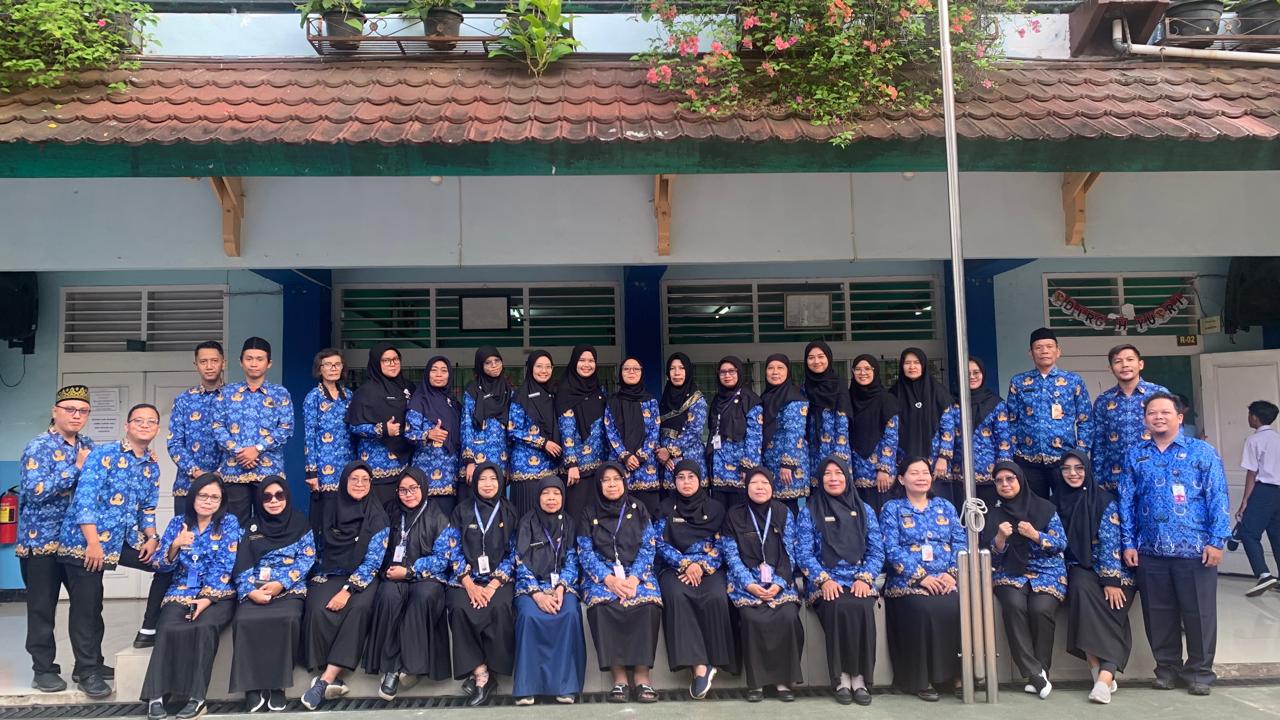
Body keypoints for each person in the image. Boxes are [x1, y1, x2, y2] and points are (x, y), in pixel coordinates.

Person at [1119, 392, 1230, 696]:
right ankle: (1166, 669)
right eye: (1152, 412)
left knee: (1199, 614)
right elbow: (1126, 501)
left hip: (1195, 550)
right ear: (1145, 419)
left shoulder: (1202, 452)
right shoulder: (1135, 454)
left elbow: (1218, 496)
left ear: (1179, 417)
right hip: (1150, 549)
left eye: (1165, 412)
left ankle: (1200, 673)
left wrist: (1217, 541)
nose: (1158, 417)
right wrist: (1128, 542)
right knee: (1158, 615)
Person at [57, 402, 164, 699]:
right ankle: (87, 671)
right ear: (127, 426)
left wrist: (152, 537)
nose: (145, 425)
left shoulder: (151, 465)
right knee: (88, 606)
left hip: (122, 540)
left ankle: (148, 630)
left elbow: (147, 508)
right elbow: (85, 499)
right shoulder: (104, 454)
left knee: (166, 564)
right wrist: (92, 543)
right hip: (83, 542)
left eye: (151, 421)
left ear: (157, 429)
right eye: (139, 420)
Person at [141, 474, 241, 720]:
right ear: (193, 497)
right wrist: (175, 545)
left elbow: (225, 565)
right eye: (203, 495)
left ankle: (197, 699)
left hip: (218, 593)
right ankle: (157, 696)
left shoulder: (228, 523)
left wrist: (206, 599)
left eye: (214, 497)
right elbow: (160, 565)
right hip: (181, 590)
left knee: (204, 627)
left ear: (221, 501)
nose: (208, 501)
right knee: (168, 626)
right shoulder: (178, 523)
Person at [18, 385, 95, 693]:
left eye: (83, 411)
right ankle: (43, 669)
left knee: (88, 607)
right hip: (42, 542)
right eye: (70, 409)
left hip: (78, 541)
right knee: (42, 608)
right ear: (55, 411)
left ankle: (88, 666)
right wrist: (75, 469)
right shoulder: (38, 446)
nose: (77, 416)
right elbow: (35, 491)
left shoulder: (87, 444)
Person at [299, 462, 391, 710]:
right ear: (344, 482)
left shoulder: (378, 517)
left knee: (357, 608)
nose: (360, 484)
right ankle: (331, 676)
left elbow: (373, 561)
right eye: (354, 479)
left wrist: (347, 590)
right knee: (316, 608)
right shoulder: (329, 509)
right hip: (329, 571)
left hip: (362, 576)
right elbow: (316, 545)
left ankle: (325, 680)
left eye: (365, 480)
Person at [795, 457, 882, 706]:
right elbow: (803, 553)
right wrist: (824, 581)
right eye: (827, 474)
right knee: (838, 606)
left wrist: (865, 578)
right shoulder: (810, 511)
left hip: (858, 579)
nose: (833, 478)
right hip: (825, 580)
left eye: (838, 473)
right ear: (820, 479)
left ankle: (861, 678)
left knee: (861, 606)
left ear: (847, 477)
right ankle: (842, 678)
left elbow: (877, 551)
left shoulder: (864, 510)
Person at [880, 456, 966, 702]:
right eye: (914, 473)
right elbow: (891, 549)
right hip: (907, 582)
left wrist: (951, 574)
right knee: (923, 608)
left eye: (925, 473)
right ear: (901, 479)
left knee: (958, 607)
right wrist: (921, 578)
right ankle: (921, 678)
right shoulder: (892, 509)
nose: (921, 477)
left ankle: (957, 675)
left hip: (947, 580)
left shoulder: (945, 506)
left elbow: (960, 543)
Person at [576, 462, 663, 703]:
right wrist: (609, 580)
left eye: (616, 479)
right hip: (603, 576)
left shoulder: (638, 508)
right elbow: (585, 552)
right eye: (606, 480)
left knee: (648, 605)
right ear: (598, 485)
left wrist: (634, 579)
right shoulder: (589, 512)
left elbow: (649, 546)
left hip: (636, 574)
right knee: (602, 607)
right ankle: (620, 679)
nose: (612, 484)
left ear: (624, 482)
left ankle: (642, 677)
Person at [363, 468, 452, 700]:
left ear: (423, 488)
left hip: (426, 576)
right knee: (389, 596)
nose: (408, 494)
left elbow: (443, 558)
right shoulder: (389, 512)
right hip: (393, 574)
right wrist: (390, 569)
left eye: (413, 489)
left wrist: (411, 571)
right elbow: (378, 546)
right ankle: (392, 668)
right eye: (403, 490)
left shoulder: (438, 516)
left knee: (422, 597)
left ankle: (406, 667)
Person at [228, 477, 316, 713]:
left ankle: (278, 686)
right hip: (256, 587)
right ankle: (252, 687)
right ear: (259, 500)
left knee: (288, 618)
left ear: (287, 497)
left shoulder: (300, 523)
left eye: (279, 495)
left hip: (289, 587)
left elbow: (307, 557)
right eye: (267, 497)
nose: (274, 501)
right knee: (244, 619)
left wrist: (282, 583)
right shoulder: (250, 527)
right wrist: (250, 591)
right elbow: (240, 563)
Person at [1054, 449, 1133, 705]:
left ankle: (1104, 678)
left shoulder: (1103, 500)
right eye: (1066, 468)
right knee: (1080, 592)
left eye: (1079, 468)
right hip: (1080, 566)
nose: (1073, 473)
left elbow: (1110, 542)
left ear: (1088, 470)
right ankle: (1100, 675)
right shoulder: (1056, 502)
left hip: (1114, 570)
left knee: (1112, 609)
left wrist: (1111, 580)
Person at [653, 460, 735, 700]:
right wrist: (685, 564)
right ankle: (699, 668)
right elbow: (658, 542)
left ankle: (716, 659)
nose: (686, 482)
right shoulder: (666, 507)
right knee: (677, 596)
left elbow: (723, 543)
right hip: (675, 568)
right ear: (674, 481)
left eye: (691, 477)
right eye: (681, 477)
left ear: (700, 480)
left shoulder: (716, 509)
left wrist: (702, 565)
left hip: (708, 568)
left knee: (716, 596)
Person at [720, 468, 803, 703]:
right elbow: (730, 555)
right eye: (754, 483)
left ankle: (783, 681)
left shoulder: (783, 512)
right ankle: (756, 683)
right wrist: (749, 584)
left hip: (779, 582)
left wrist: (779, 583)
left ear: (772, 487)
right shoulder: (734, 515)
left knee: (787, 616)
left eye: (765, 483)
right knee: (751, 618)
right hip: (746, 583)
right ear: (746, 487)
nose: (759, 487)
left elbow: (790, 552)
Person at [984, 461, 1066, 700]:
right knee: (1013, 604)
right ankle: (1034, 673)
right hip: (1009, 571)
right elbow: (989, 556)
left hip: (1047, 570)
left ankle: (1040, 672)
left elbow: (1061, 543)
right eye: (999, 481)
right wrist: (1000, 539)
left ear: (1020, 480)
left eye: (1010, 479)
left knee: (1041, 609)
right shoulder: (993, 513)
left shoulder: (1044, 508)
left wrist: (1035, 535)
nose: (1005, 484)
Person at [442, 462, 519, 706]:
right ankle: (480, 672)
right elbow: (453, 548)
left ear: (501, 482)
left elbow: (515, 552)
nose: (488, 484)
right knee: (459, 606)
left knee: (500, 606)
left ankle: (494, 669)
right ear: (475, 483)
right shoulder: (462, 511)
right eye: (482, 479)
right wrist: (469, 584)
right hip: (466, 579)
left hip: (499, 579)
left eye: (493, 479)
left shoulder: (509, 511)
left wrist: (493, 585)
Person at [512, 477, 586, 705]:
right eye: (546, 493)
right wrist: (537, 594)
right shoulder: (526, 522)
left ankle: (565, 687)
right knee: (528, 616)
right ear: (538, 497)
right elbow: (519, 561)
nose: (551, 498)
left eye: (556, 493)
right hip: (531, 587)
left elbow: (573, 559)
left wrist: (561, 588)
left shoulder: (569, 523)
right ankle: (527, 687)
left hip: (562, 586)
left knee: (569, 614)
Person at [212, 337, 294, 523]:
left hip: (268, 470)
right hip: (234, 471)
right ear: (241, 362)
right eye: (249, 359)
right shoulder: (227, 393)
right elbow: (217, 426)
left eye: (259, 359)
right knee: (234, 524)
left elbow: (286, 427)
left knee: (271, 523)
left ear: (269, 363)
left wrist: (257, 448)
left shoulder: (280, 393)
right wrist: (239, 451)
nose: (254, 364)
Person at [1006, 328, 1092, 500]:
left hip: (1064, 460)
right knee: (1034, 508)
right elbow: (1011, 420)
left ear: (1058, 351)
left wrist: (1080, 454)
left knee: (1068, 505)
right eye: (1038, 347)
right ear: (1031, 353)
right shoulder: (1019, 382)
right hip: (1028, 460)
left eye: (1049, 346)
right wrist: (1013, 453)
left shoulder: (1073, 381)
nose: (1044, 351)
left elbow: (1086, 420)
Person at [932, 356, 1013, 509]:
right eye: (966, 373)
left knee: (987, 518)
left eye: (976, 372)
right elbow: (944, 434)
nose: (972, 376)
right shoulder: (950, 402)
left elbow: (1004, 440)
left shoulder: (995, 403)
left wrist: (1004, 470)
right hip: (957, 476)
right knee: (961, 517)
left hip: (988, 476)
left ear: (983, 374)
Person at [1090, 345, 1168, 491]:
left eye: (1130, 359)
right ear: (1110, 368)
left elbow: (1174, 433)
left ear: (1141, 364)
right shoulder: (1104, 400)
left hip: (1155, 477)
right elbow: (1098, 443)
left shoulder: (1159, 394)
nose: (1124, 365)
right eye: (1118, 361)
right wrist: (1097, 480)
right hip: (1114, 480)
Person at [345, 344, 414, 508]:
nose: (392, 364)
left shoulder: (408, 388)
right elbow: (354, 426)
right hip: (376, 468)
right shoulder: (365, 392)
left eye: (396, 359)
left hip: (404, 466)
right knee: (378, 515)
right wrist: (382, 429)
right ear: (376, 363)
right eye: (386, 360)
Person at [168, 341, 226, 518]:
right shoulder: (184, 400)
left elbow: (242, 440)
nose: (209, 366)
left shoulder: (234, 398)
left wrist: (220, 472)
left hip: (226, 486)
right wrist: (196, 472)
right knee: (185, 533)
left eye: (214, 361)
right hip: (188, 485)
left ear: (223, 363)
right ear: (196, 365)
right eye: (203, 361)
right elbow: (174, 443)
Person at [302, 348, 354, 546]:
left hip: (347, 465)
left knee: (345, 514)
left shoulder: (349, 396)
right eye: (328, 365)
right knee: (325, 518)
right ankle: (320, 558)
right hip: (324, 468)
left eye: (337, 364)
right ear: (319, 369)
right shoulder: (313, 397)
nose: (333, 368)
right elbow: (309, 436)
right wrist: (311, 473)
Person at [507, 350, 563, 517]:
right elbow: (513, 430)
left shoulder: (554, 395)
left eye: (548, 367)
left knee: (548, 520)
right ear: (531, 368)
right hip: (526, 471)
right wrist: (542, 442)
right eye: (539, 366)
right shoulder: (520, 395)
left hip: (551, 468)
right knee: (527, 517)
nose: (543, 370)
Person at [405, 356, 462, 518]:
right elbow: (408, 433)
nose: (439, 375)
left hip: (450, 476)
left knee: (447, 522)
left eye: (444, 371)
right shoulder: (419, 401)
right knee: (425, 523)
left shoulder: (453, 403)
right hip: (426, 477)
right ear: (427, 374)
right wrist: (428, 434)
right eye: (434, 370)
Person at [604, 359, 662, 515]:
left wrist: (641, 456)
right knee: (620, 515)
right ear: (620, 373)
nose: (631, 372)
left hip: (646, 468)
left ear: (642, 372)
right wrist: (625, 456)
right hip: (620, 466)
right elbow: (610, 431)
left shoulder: (651, 401)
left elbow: (655, 430)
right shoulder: (612, 401)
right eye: (626, 369)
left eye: (636, 369)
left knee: (648, 514)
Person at [557, 344, 608, 519]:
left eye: (591, 361)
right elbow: (566, 429)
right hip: (576, 470)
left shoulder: (598, 391)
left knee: (597, 517)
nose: (587, 365)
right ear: (574, 362)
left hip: (599, 467)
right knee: (577, 515)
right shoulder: (565, 391)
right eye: (582, 360)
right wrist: (571, 464)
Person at [706, 356, 763, 508]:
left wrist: (748, 467)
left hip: (740, 471)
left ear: (739, 373)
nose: (727, 375)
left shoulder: (750, 399)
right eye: (723, 372)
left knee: (738, 514)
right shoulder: (717, 399)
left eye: (732, 371)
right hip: (718, 470)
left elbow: (755, 436)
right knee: (718, 513)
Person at [1237, 400, 1280, 596]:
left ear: (1254, 417)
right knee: (1277, 536)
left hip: (1264, 491)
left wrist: (1245, 501)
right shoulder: (1278, 439)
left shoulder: (1254, 440)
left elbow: (1252, 473)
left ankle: (1264, 575)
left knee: (1247, 532)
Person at [848, 354, 900, 513]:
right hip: (853, 473)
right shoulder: (848, 399)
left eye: (867, 369)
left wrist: (884, 469)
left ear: (875, 371)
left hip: (878, 475)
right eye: (858, 369)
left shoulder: (887, 399)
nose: (862, 373)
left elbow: (891, 437)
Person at [759, 354, 810, 511]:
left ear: (788, 371)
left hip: (787, 466)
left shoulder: (794, 397)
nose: (775, 372)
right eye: (770, 368)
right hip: (770, 462)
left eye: (780, 368)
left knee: (788, 509)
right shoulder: (767, 396)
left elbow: (794, 432)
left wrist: (787, 464)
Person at [462, 347, 513, 501]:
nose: (494, 365)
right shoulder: (472, 391)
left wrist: (511, 463)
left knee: (499, 505)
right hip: (478, 459)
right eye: (488, 362)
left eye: (497, 361)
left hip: (501, 458)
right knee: (477, 504)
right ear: (480, 366)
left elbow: (512, 429)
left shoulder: (508, 391)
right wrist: (469, 461)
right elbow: (466, 426)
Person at [803, 341, 853, 479]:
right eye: (811, 357)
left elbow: (842, 423)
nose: (816, 361)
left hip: (835, 448)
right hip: (811, 452)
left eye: (821, 356)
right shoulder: (804, 388)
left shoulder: (838, 386)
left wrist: (839, 455)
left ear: (829, 358)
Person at [657, 352, 707, 488]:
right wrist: (661, 454)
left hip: (689, 462)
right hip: (666, 466)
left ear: (688, 371)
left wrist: (669, 451)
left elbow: (694, 432)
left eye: (681, 368)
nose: (677, 373)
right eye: (672, 369)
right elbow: (657, 430)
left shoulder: (697, 400)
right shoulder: (665, 398)